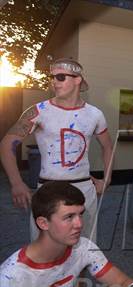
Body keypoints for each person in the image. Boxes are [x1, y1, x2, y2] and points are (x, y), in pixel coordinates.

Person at [0, 58, 113, 243]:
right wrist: (16, 183)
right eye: (52, 77)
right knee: (45, 252)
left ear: (77, 79)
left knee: (83, 248)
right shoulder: (38, 111)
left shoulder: (95, 114)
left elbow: (107, 146)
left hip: (84, 190)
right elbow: (7, 144)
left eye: (60, 77)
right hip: (48, 190)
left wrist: (106, 180)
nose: (53, 81)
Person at [0, 181, 133, 287]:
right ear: (43, 223)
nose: (79, 224)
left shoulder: (83, 248)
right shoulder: (11, 279)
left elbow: (122, 282)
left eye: (80, 214)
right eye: (69, 217)